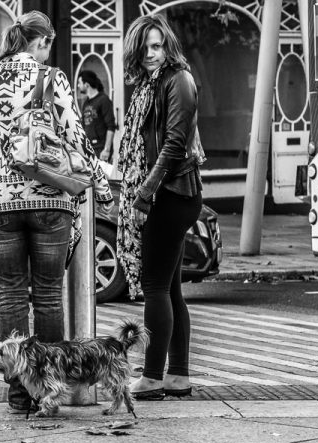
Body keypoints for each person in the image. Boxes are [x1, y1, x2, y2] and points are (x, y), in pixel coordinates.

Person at [0, 11, 114, 413]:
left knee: (11, 295)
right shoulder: (52, 78)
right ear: (44, 41)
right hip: (49, 198)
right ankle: (48, 389)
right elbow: (76, 136)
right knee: (48, 296)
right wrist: (101, 187)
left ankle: (18, 394)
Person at [117, 14, 205, 398]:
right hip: (167, 193)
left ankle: (152, 376)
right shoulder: (147, 85)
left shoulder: (178, 81)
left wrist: (143, 194)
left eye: (157, 46)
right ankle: (178, 376)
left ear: (168, 45)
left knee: (155, 286)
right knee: (170, 288)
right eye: (145, 48)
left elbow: (173, 145)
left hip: (170, 193)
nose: (151, 54)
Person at [77, 70, 116, 163]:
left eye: (79, 83)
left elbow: (111, 127)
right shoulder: (86, 102)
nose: (78, 86)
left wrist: (107, 150)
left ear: (86, 84)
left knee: (102, 177)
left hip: (101, 150)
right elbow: (83, 126)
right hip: (89, 149)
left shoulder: (103, 100)